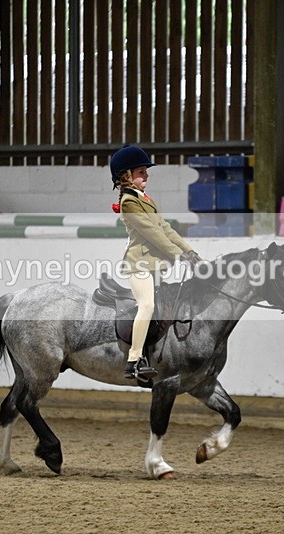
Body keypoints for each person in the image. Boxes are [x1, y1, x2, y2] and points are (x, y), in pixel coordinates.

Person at [109, 145, 202, 381]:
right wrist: (177, 254)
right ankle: (133, 360)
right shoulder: (130, 202)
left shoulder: (145, 199)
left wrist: (188, 250)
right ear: (126, 176)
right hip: (139, 265)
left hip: (156, 266)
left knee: (166, 308)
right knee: (147, 306)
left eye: (145, 172)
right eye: (141, 172)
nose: (146, 175)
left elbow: (165, 228)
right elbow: (152, 233)